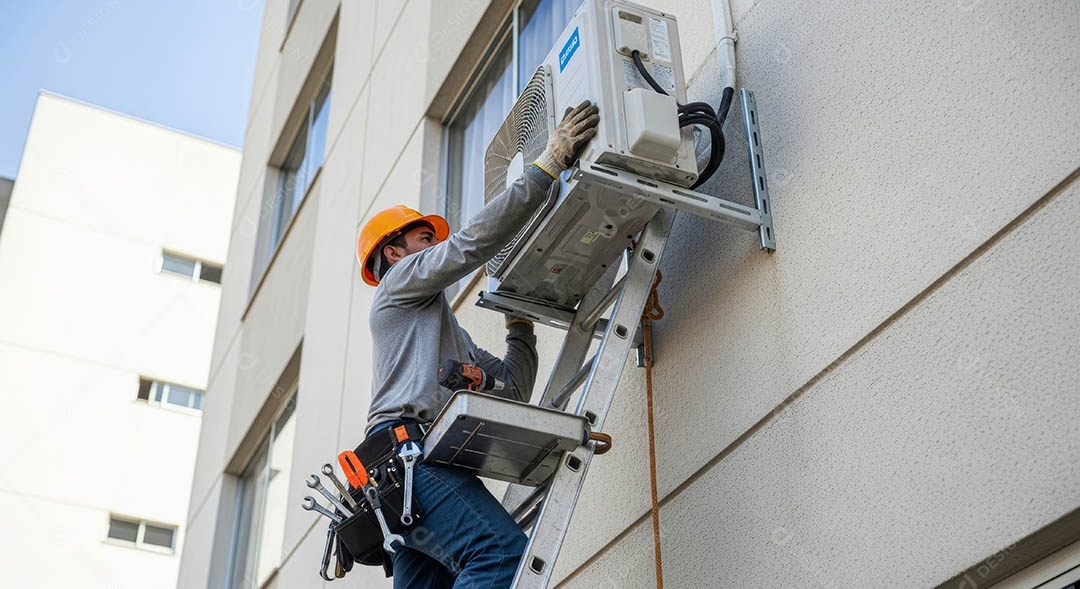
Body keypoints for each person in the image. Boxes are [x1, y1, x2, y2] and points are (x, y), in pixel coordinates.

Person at [353, 100, 600, 588]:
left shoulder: (445, 335)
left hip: (399, 480)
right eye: (425, 238)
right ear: (394, 252)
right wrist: (546, 167)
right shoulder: (397, 285)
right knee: (500, 555)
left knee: (473, 567)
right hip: (408, 456)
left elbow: (511, 389)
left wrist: (519, 323)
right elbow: (468, 246)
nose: (434, 248)